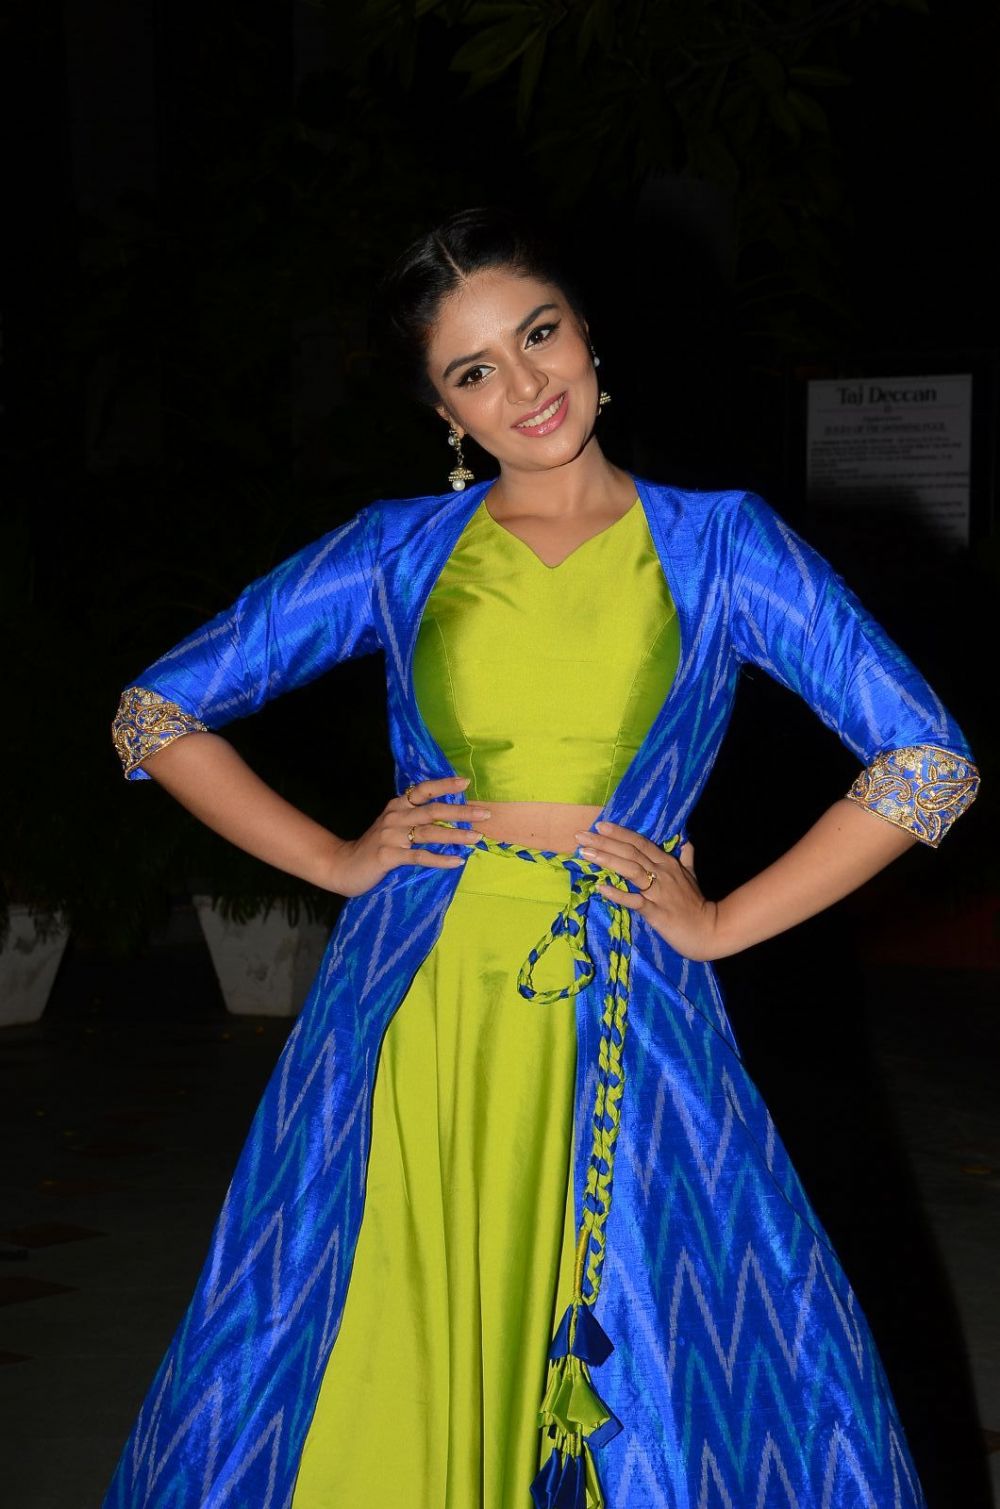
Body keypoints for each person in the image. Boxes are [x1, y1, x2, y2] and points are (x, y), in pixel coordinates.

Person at [105, 207, 979, 1509]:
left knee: (675, 1352)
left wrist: (726, 920)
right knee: (388, 1343)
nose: (524, 385)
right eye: (474, 371)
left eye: (538, 333)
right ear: (444, 412)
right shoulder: (400, 549)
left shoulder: (721, 543)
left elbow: (928, 761)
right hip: (419, 1005)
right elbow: (156, 713)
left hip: (629, 993)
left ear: (587, 336)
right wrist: (336, 857)